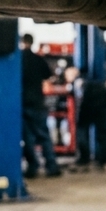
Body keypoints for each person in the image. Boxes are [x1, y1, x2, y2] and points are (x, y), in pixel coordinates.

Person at [70, 27, 106, 170]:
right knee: (101, 126)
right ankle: (101, 159)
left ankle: (84, 158)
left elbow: (77, 70)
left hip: (91, 89)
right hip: (99, 89)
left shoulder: (84, 44)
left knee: (83, 125)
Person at [19, 34, 61, 177]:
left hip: (22, 103)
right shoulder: (38, 59)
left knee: (27, 138)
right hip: (38, 102)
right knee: (44, 135)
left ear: (21, 42)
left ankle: (33, 167)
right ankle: (52, 166)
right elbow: (49, 76)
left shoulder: (17, 59)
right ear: (32, 42)